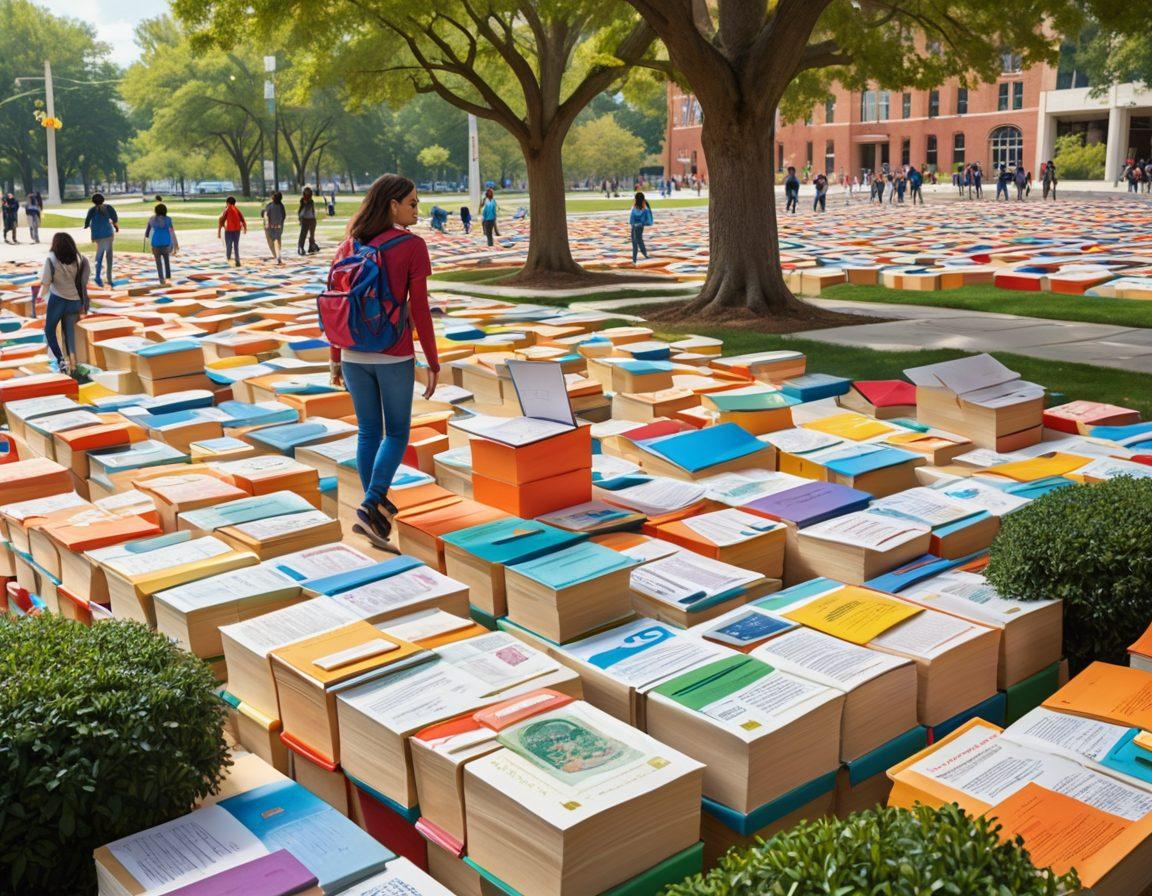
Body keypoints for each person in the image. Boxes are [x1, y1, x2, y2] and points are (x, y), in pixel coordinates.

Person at [326, 174, 439, 546]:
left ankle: (373, 516)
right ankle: (371, 503)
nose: (417, 210)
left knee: (369, 432)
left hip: (352, 353)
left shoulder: (349, 244)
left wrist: (335, 359)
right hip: (392, 353)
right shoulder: (412, 246)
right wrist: (433, 361)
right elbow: (419, 310)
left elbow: (336, 307)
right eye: (412, 203)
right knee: (397, 433)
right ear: (392, 205)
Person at [39, 232, 90, 378]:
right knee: (69, 334)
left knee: (49, 330)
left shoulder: (51, 258)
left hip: (58, 300)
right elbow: (84, 281)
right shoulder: (80, 258)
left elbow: (46, 282)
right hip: (74, 301)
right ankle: (73, 365)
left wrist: (40, 297)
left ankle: (61, 360)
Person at [83, 193, 119, 287]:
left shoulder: (92, 210)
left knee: (99, 256)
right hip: (108, 235)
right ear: (103, 199)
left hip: (97, 236)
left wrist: (88, 226)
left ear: (93, 201)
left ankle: (98, 276)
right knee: (109, 257)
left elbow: (86, 222)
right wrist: (115, 227)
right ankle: (109, 279)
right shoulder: (108, 208)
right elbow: (115, 219)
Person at [144, 203, 177, 284]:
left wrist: (147, 236)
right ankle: (168, 276)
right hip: (166, 242)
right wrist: (175, 244)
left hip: (155, 242)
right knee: (166, 260)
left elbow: (147, 233)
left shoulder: (152, 219)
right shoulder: (168, 219)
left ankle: (161, 279)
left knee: (158, 263)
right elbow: (172, 231)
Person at [217, 196, 247, 266]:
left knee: (228, 245)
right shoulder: (237, 209)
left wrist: (219, 232)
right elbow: (242, 219)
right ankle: (237, 261)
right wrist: (245, 228)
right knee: (236, 245)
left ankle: (228, 258)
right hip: (237, 230)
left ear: (227, 203)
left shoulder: (227, 209)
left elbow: (221, 220)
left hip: (229, 230)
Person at [262, 191, 286, 264]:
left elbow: (266, 215)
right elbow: (284, 216)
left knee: (271, 242)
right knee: (277, 240)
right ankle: (278, 255)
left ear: (273, 197)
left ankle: (276, 256)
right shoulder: (281, 206)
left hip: (270, 227)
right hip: (279, 226)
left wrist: (266, 224)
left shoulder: (270, 205)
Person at [629, 191, 653, 264]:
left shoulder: (633, 209)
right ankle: (645, 254)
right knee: (639, 240)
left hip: (634, 228)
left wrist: (635, 224)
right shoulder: (645, 210)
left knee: (635, 242)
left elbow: (631, 221)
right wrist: (641, 223)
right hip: (640, 227)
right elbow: (649, 221)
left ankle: (634, 260)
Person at [298, 187, 319, 254]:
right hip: (307, 219)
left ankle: (310, 246)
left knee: (309, 234)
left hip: (309, 219)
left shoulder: (310, 201)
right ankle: (302, 247)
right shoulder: (304, 200)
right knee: (304, 234)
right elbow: (301, 209)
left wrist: (299, 218)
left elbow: (311, 210)